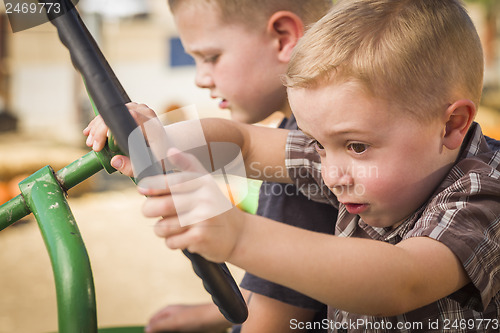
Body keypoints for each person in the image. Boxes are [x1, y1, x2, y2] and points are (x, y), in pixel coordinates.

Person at [97, 0, 500, 331]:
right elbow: (247, 143)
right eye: (319, 146)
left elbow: (403, 280)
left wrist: (238, 237)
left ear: (451, 125)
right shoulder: (354, 166)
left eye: (357, 146)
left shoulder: (481, 190)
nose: (330, 174)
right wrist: (160, 139)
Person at [85, 1, 336, 332]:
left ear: (283, 38)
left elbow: (276, 320)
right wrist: (161, 137)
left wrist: (163, 139)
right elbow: (242, 144)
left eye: (211, 57)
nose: (201, 79)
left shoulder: (306, 171)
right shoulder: (305, 137)